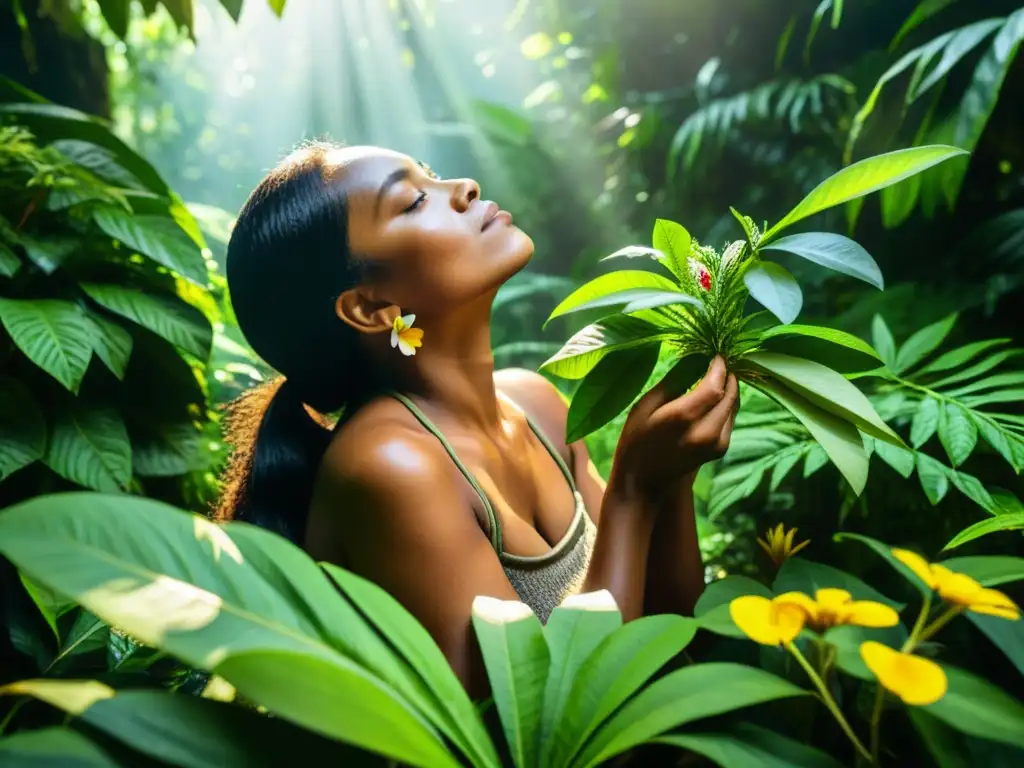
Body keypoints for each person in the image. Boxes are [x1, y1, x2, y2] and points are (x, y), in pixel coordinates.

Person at [216, 141, 739, 697]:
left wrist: (672, 475)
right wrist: (633, 494)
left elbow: (675, 631)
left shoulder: (533, 403)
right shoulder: (392, 467)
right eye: (414, 200)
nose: (463, 188)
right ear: (370, 308)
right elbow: (544, 739)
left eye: (435, 174)